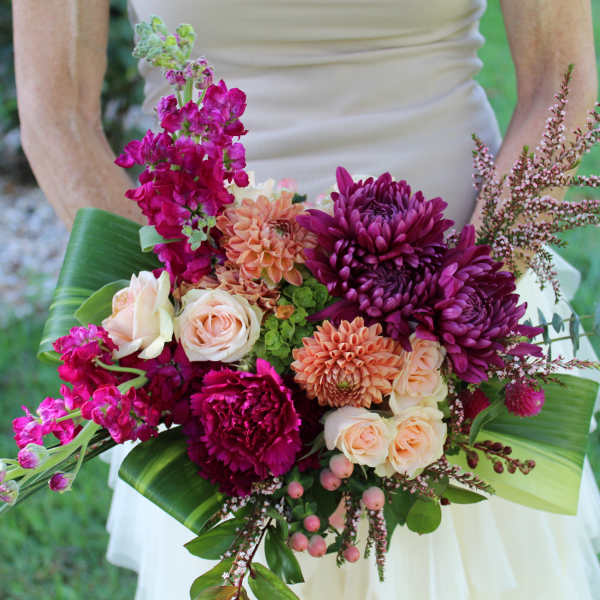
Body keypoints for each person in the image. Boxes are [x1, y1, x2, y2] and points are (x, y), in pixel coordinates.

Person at [12, 0, 600, 598]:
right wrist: (189, 340)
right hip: (217, 339)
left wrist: (457, 324)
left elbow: (561, 78)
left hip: (466, 309)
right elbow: (57, 115)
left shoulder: (463, 319)